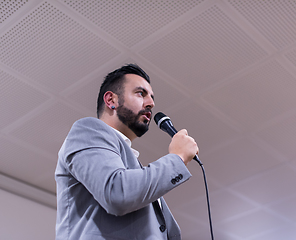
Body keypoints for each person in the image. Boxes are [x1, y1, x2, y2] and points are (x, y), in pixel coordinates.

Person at [55, 64, 199, 240]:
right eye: (141, 93)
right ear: (111, 100)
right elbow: (117, 192)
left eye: (152, 97)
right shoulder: (87, 130)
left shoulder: (134, 168)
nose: (151, 103)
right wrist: (177, 158)